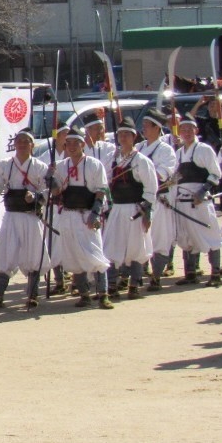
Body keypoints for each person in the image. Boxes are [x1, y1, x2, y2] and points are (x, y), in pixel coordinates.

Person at [0, 129, 49, 309]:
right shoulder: (4, 165)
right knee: (4, 253)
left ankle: (33, 295)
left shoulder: (39, 167)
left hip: (30, 217)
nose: (21, 144)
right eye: (19, 141)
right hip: (11, 216)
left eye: (26, 141)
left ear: (32, 145)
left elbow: (48, 190)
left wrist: (35, 198)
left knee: (34, 254)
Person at [50, 127, 113, 307]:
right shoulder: (62, 166)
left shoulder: (94, 164)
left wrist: (95, 213)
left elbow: (101, 190)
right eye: (67, 143)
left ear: (82, 144)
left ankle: (103, 294)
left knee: (95, 254)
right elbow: (56, 191)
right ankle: (84, 294)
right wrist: (51, 177)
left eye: (75, 143)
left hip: (86, 214)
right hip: (69, 215)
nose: (71, 146)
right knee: (74, 256)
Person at [103, 118, 158, 300]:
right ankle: (111, 285)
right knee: (111, 246)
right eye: (120, 134)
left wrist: (146, 210)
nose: (123, 137)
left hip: (135, 209)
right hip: (117, 209)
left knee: (136, 248)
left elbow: (151, 188)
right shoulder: (114, 160)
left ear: (134, 137)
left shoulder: (141, 161)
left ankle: (134, 284)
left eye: (127, 134)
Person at [172, 114, 222, 286]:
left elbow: (216, 173)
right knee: (187, 237)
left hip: (200, 201)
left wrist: (203, 191)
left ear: (196, 130)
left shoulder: (204, 149)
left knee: (209, 234)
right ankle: (191, 272)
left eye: (189, 129)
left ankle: (215, 273)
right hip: (183, 201)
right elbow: (176, 177)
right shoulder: (179, 153)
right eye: (183, 129)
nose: (186, 132)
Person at [138, 109, 178, 291]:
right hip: (139, 199)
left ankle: (156, 275)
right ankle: (137, 275)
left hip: (158, 200)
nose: (144, 129)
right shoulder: (138, 148)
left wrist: (143, 176)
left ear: (156, 128)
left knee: (160, 238)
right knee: (139, 238)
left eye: (147, 126)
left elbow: (163, 174)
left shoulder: (165, 150)